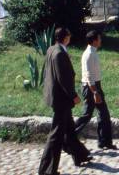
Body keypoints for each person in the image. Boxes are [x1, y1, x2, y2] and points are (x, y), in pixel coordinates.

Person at [38, 27, 91, 175]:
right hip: (61, 99)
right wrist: (73, 95)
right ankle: (47, 170)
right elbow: (63, 79)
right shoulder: (60, 54)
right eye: (69, 36)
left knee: (69, 130)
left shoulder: (51, 49)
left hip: (56, 97)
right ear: (65, 38)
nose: (70, 38)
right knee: (56, 136)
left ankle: (80, 155)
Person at [75, 31, 116, 150]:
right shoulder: (88, 54)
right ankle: (68, 136)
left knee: (104, 115)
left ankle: (104, 142)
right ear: (94, 41)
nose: (101, 40)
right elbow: (88, 76)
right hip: (91, 88)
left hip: (96, 86)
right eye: (99, 39)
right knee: (87, 115)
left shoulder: (93, 52)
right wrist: (95, 92)